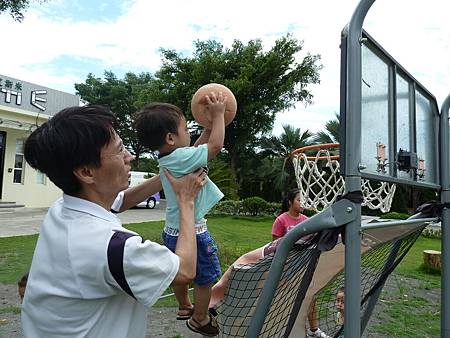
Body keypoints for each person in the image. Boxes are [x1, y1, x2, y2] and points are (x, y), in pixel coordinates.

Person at [21, 105, 207, 338]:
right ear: (87, 172)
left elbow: (121, 201)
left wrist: (171, 171)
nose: (129, 156)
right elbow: (185, 270)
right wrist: (186, 201)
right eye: (120, 151)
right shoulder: (115, 247)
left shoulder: (63, 208)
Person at [133, 94, 227, 337]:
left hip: (172, 229)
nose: (189, 132)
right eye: (185, 128)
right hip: (193, 230)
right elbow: (214, 146)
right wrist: (218, 117)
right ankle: (200, 317)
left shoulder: (170, 158)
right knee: (204, 278)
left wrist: (206, 128)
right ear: (170, 137)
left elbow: (197, 148)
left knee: (179, 270)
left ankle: (185, 305)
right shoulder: (182, 158)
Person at [209, 189, 331, 338]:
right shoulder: (281, 220)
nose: (303, 203)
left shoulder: (307, 221)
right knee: (271, 298)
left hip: (297, 266)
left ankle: (313, 330)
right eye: (299, 199)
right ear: (290, 202)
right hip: (280, 266)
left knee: (308, 297)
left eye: (304, 200)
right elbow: (275, 247)